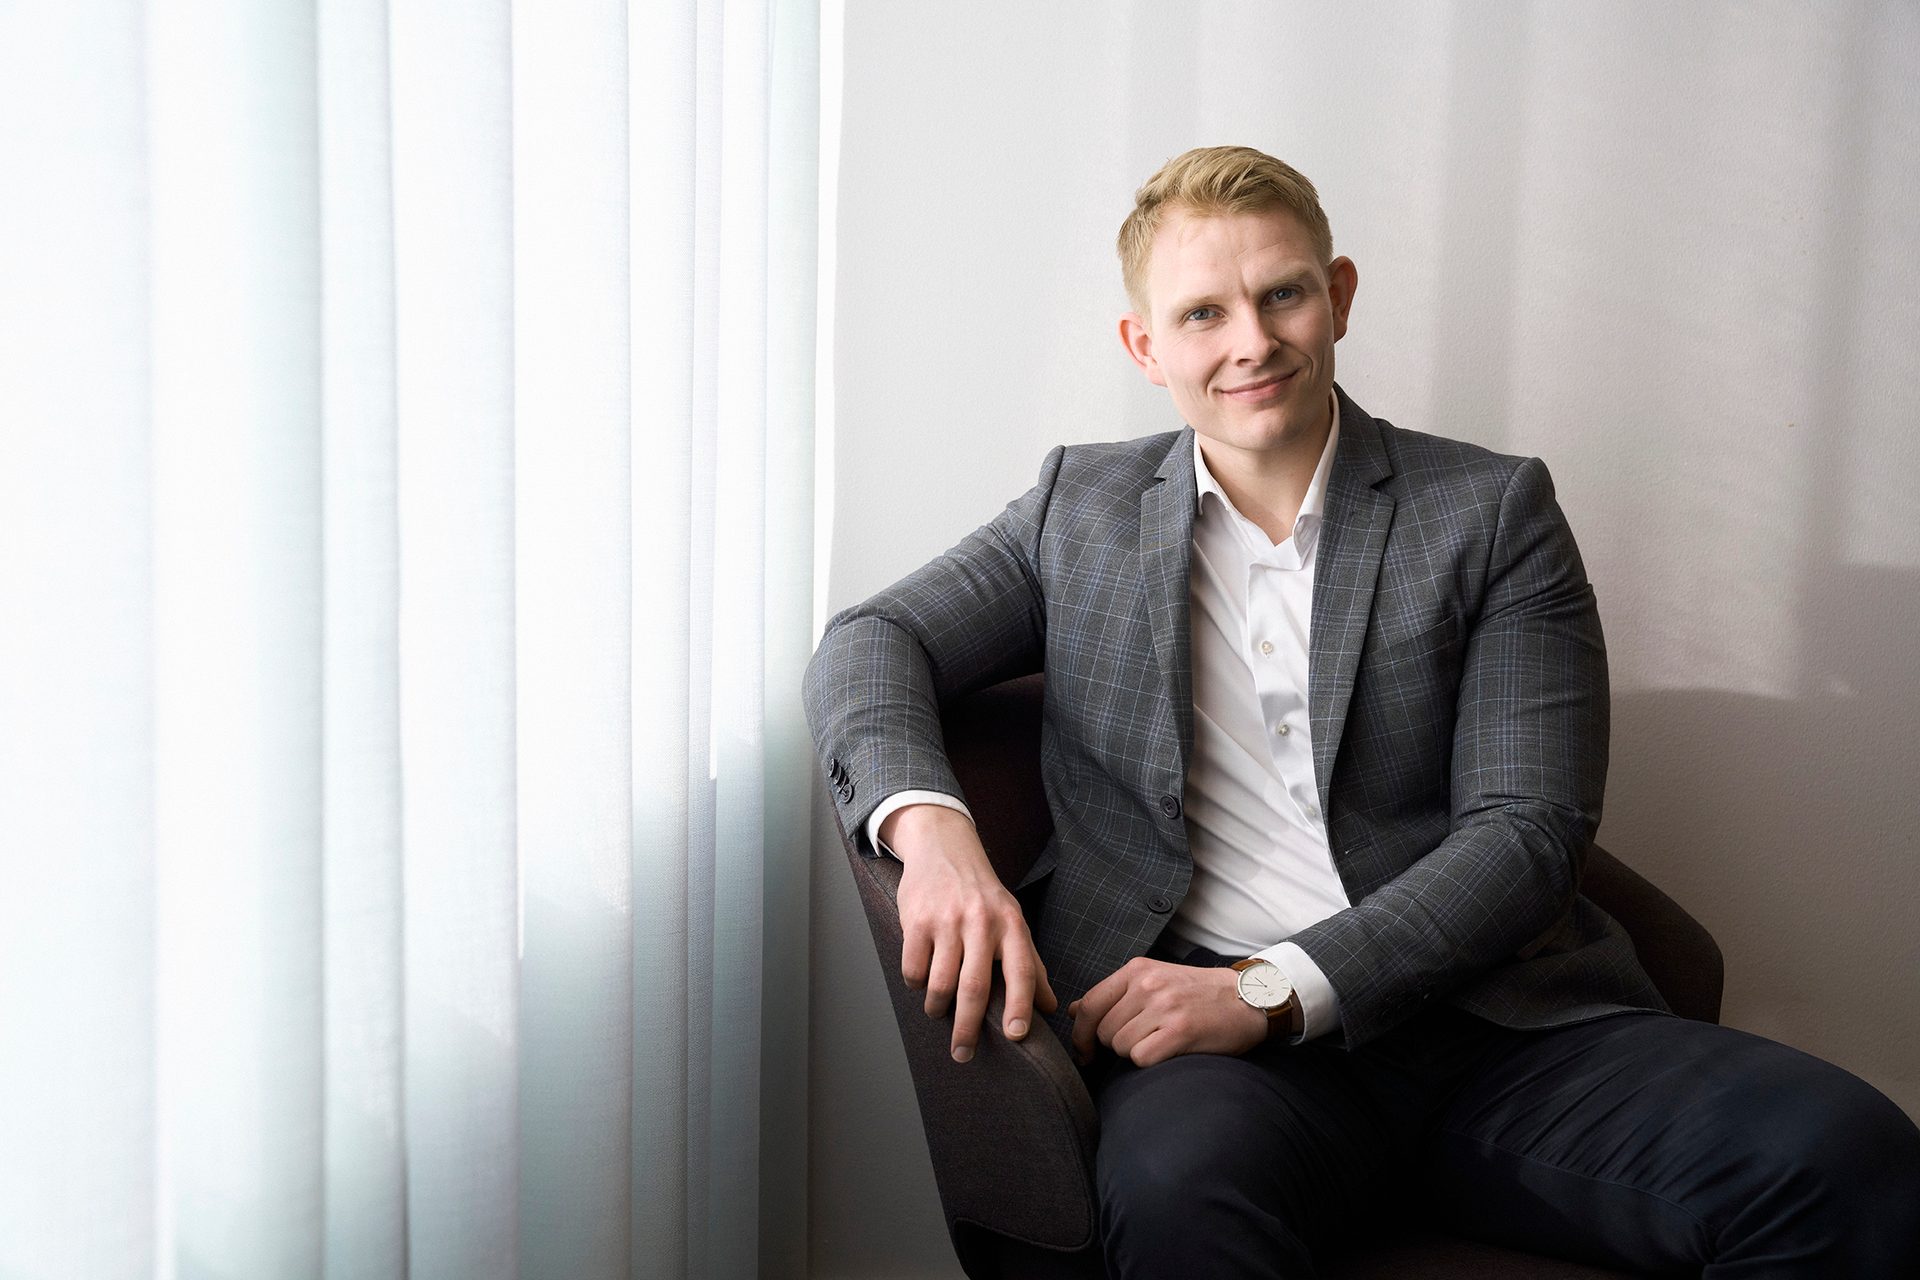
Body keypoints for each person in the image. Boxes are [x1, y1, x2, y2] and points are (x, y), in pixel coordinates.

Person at [803, 145, 1920, 1277]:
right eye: (1203, 313)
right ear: (1147, 346)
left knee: (1849, 1155)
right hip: (1215, 1061)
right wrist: (933, 833)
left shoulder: (1491, 512)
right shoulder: (1073, 511)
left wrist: (1272, 989)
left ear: (1336, 295)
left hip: (1494, 1027)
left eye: (1281, 292)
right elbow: (872, 639)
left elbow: (1527, 833)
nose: (1251, 340)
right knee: (1177, 1196)